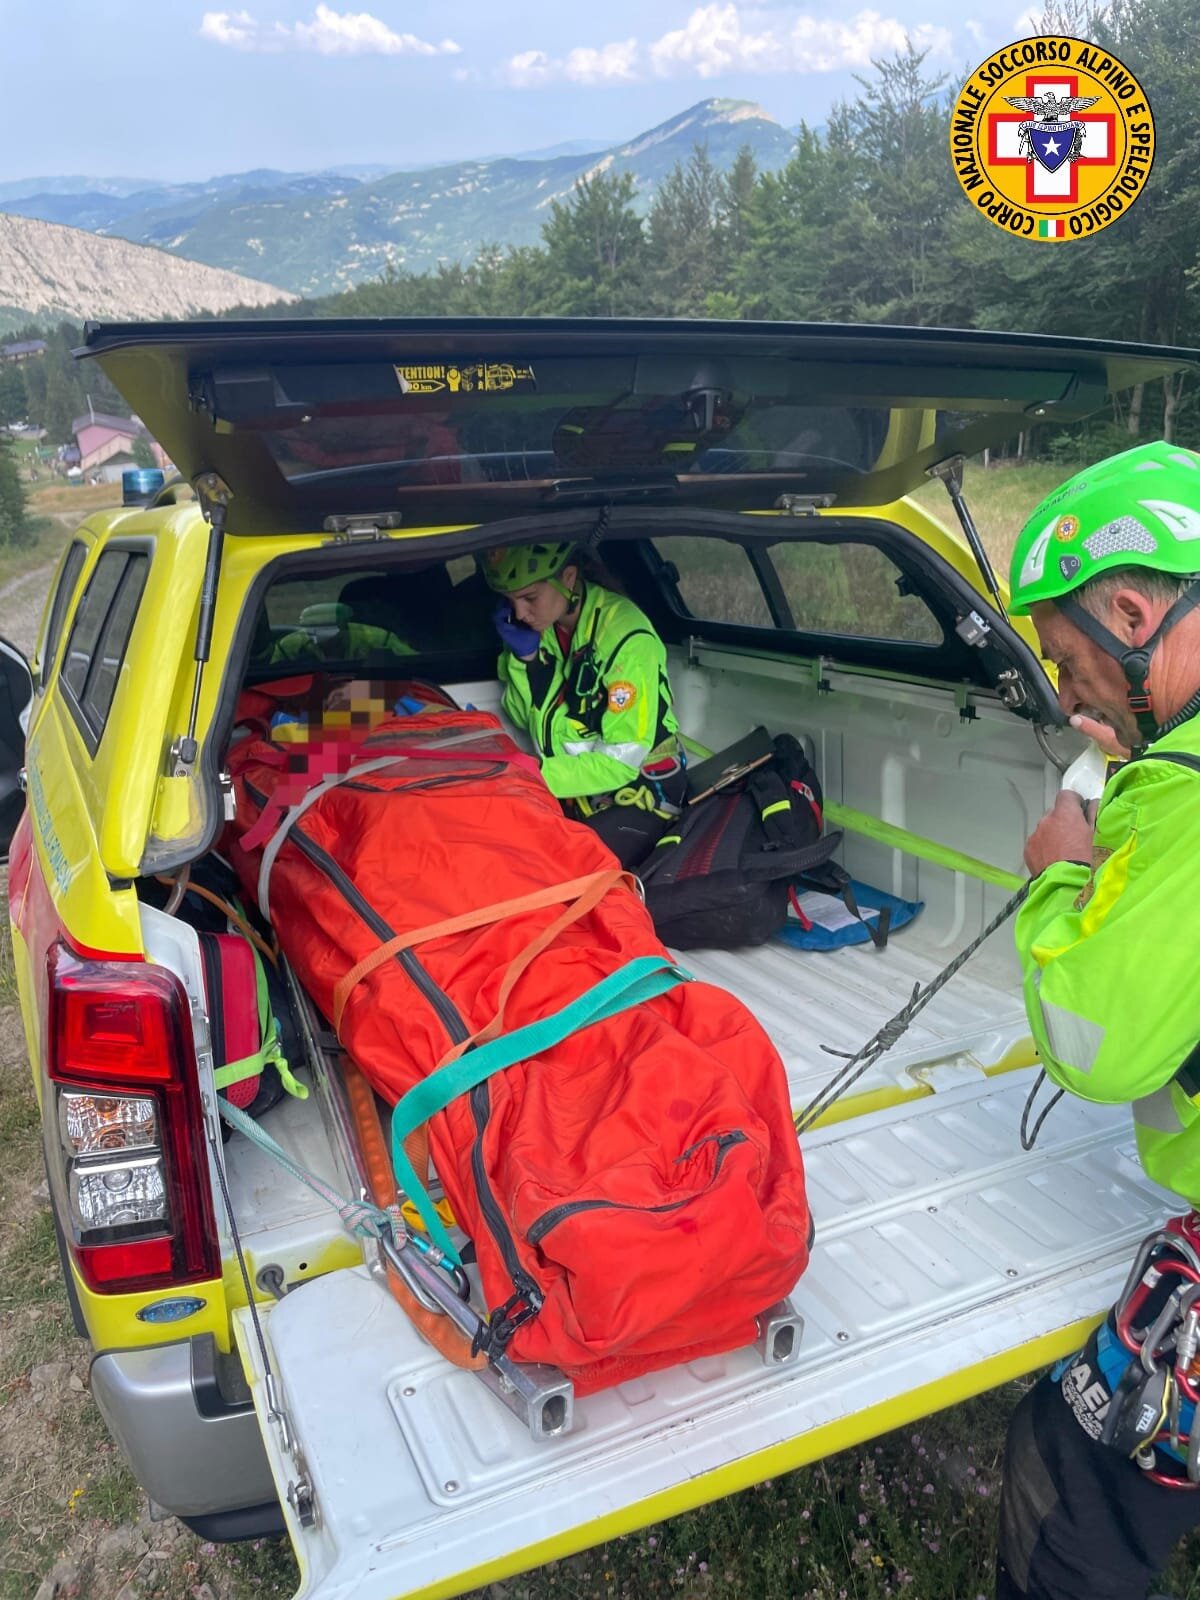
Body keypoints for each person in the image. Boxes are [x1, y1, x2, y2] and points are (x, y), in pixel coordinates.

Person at [996, 440, 1200, 1600]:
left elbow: (1094, 1046)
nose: (1066, 695)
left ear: (1131, 609)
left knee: (1072, 1467)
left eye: (1069, 660)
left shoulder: (1184, 799)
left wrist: (1060, 877)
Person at [483, 539, 684, 867]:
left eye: (529, 598)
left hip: (640, 790)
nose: (519, 613)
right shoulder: (544, 628)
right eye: (510, 601)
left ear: (568, 577)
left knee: (558, 869)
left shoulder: (627, 640)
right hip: (577, 788)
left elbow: (620, 762)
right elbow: (524, 717)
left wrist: (530, 774)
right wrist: (526, 659)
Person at [270, 601, 415, 666]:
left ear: (346, 625)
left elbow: (414, 664)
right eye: (313, 629)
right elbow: (271, 679)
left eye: (331, 628)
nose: (323, 636)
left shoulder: (379, 640)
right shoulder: (289, 647)